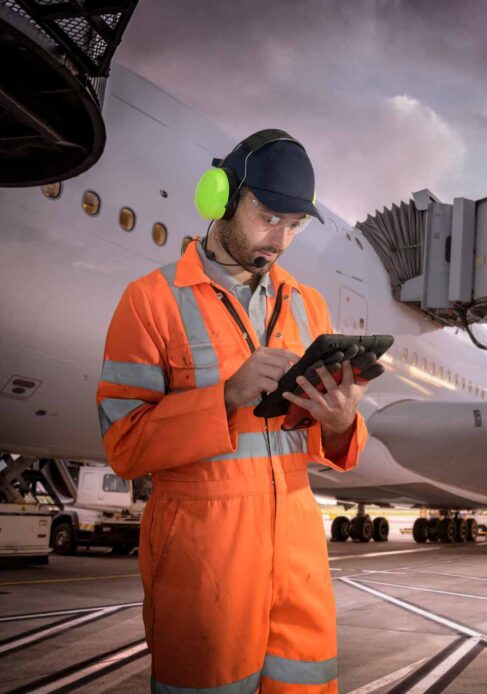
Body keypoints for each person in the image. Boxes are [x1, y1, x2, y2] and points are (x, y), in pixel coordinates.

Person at [96, 129, 369, 692]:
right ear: (221, 198)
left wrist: (341, 425)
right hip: (205, 555)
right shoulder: (150, 301)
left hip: (298, 548)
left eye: (295, 226)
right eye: (269, 217)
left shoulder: (308, 305)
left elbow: (312, 442)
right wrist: (222, 397)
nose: (282, 239)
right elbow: (124, 447)